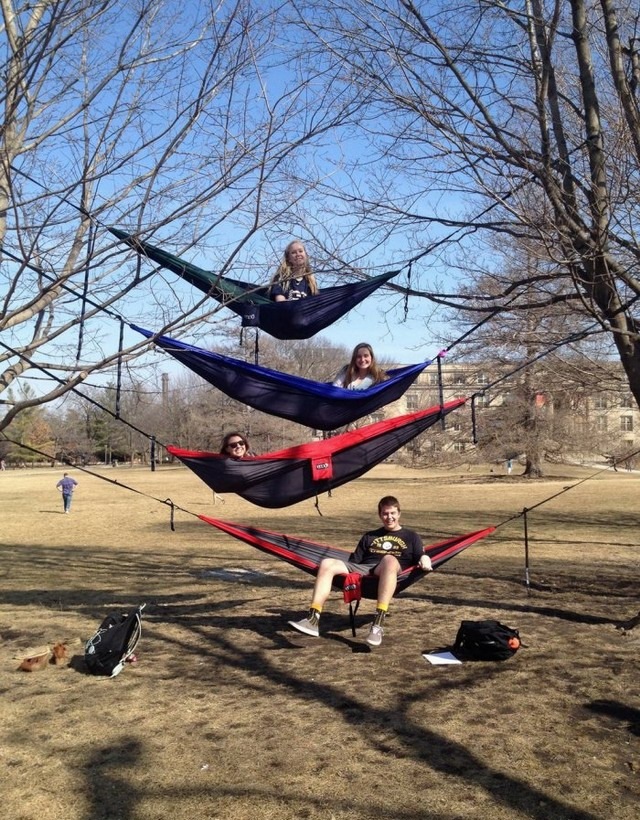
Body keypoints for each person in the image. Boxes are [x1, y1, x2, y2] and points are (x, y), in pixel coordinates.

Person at [288, 495, 432, 647]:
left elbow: (421, 556)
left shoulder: (411, 536)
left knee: (389, 559)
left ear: (399, 514)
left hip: (391, 568)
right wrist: (343, 579)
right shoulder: (369, 536)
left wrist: (425, 559)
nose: (389, 517)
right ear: (380, 515)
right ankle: (313, 619)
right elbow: (354, 562)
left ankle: (377, 625)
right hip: (365, 570)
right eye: (385, 513)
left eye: (392, 513)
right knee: (327, 563)